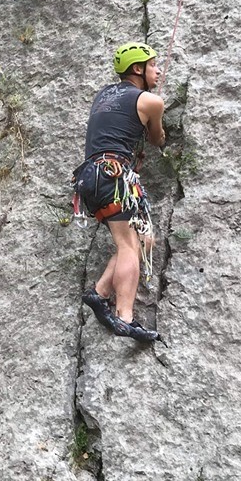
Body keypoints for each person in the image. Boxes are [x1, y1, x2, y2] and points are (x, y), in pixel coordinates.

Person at [75, 43, 165, 342]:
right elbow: (156, 140)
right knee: (128, 245)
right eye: (153, 66)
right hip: (113, 176)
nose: (158, 71)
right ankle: (125, 317)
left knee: (143, 239)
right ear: (138, 69)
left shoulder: (103, 94)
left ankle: (99, 293)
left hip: (92, 177)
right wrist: (156, 114)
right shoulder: (150, 101)